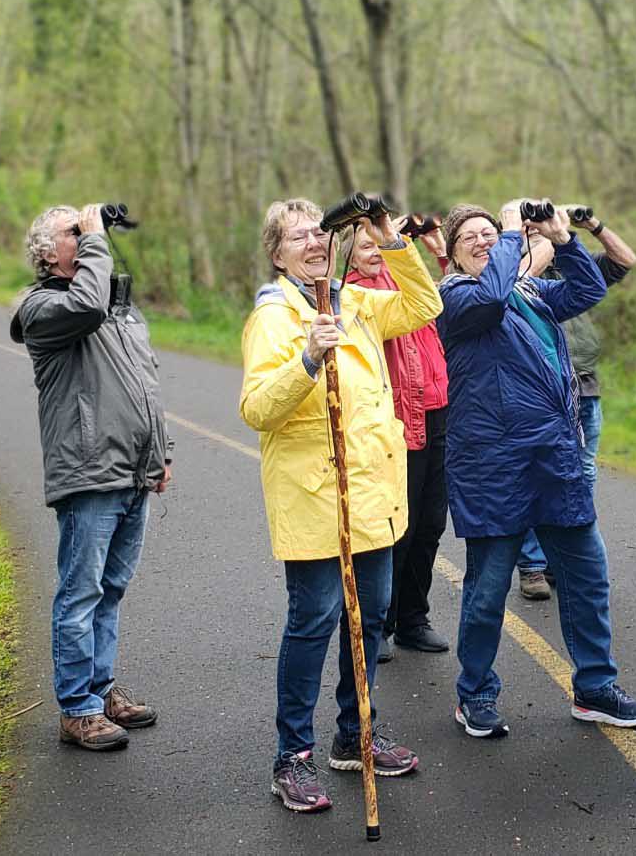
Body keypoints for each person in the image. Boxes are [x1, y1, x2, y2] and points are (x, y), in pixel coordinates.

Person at [241, 199, 439, 812]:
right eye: (298, 237)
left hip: (373, 494)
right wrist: (307, 360)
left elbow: (422, 306)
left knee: (371, 615)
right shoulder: (274, 317)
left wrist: (390, 240)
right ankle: (291, 756)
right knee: (315, 621)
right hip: (317, 498)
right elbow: (256, 410)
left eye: (319, 234)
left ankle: (355, 735)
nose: (312, 243)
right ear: (277, 253)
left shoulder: (354, 301)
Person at [435, 200, 636, 739]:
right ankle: (475, 693)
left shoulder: (528, 290)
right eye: (473, 238)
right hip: (493, 462)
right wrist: (511, 233)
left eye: (492, 232)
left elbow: (587, 291)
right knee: (488, 589)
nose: (486, 241)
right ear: (452, 255)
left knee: (586, 576)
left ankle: (595, 687)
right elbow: (489, 299)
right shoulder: (455, 297)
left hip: (554, 456)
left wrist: (566, 239)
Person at [11, 203, 173, 753]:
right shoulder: (45, 308)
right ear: (46, 253)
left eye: (86, 231)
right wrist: (98, 238)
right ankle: (77, 708)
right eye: (71, 233)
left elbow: (144, 384)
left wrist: (161, 453)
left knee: (111, 590)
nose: (84, 238)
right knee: (80, 593)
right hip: (88, 473)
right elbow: (85, 301)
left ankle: (100, 691)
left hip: (130, 471)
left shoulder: (118, 312)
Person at [515, 208, 636, 601]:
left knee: (581, 476)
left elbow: (626, 261)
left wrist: (591, 226)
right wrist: (539, 243)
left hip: (585, 387)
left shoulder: (573, 272)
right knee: (536, 477)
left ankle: (562, 558)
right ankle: (532, 566)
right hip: (543, 392)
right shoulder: (517, 276)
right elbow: (517, 281)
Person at [345, 226, 454, 659]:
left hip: (436, 409)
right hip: (394, 420)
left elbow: (434, 301)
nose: (375, 252)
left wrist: (408, 241)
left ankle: (414, 618)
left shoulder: (403, 281)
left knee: (430, 523)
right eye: (365, 246)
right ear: (348, 257)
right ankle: (383, 623)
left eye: (379, 244)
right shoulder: (353, 296)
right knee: (396, 530)